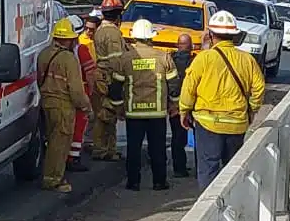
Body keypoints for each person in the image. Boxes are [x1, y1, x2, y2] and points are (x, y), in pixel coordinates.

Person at [179, 11, 266, 191]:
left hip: (207, 123)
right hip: (236, 123)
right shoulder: (247, 60)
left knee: (208, 170)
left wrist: (184, 111)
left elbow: (189, 88)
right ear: (234, 35)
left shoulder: (204, 58)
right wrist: (252, 109)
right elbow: (259, 88)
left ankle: (208, 210)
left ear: (211, 35)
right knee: (232, 171)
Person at [108, 19, 180, 191]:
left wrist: (119, 108)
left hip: (134, 113)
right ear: (151, 37)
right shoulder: (163, 57)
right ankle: (159, 182)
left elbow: (115, 87)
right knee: (158, 149)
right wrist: (174, 105)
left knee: (133, 149)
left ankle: (133, 182)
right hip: (157, 113)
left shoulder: (124, 60)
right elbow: (174, 85)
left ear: (134, 38)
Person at [38, 18, 93, 193]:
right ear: (69, 39)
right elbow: (76, 90)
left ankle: (50, 175)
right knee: (60, 143)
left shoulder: (44, 54)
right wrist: (86, 107)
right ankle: (53, 179)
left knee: (50, 140)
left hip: (46, 102)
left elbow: (39, 79)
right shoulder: (69, 59)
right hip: (63, 105)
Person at [91, 0, 126, 161]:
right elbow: (116, 60)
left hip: (101, 75)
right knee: (107, 114)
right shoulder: (112, 33)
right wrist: (119, 81)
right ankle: (103, 149)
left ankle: (106, 149)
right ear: (118, 14)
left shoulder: (100, 30)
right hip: (109, 77)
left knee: (104, 113)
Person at [70, 11, 101, 168]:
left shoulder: (54, 51)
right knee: (80, 124)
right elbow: (90, 73)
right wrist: (92, 90)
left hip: (61, 93)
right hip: (80, 91)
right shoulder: (81, 49)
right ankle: (74, 158)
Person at [168, 33, 194, 178]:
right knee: (184, 137)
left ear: (178, 45)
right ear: (190, 47)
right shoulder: (194, 61)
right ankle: (182, 168)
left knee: (176, 137)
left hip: (173, 107)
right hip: (189, 106)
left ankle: (179, 167)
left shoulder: (170, 60)